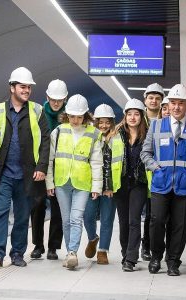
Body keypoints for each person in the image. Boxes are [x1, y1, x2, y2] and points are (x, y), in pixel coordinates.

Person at [0, 67, 50, 268]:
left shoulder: (37, 111)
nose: (26, 90)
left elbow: (45, 141)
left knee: (22, 215)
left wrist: (42, 166)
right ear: (12, 88)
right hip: (2, 173)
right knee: (0, 211)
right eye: (22, 86)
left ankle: (17, 253)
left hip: (28, 174)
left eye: (28, 87)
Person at [141, 83, 186, 276]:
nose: (177, 107)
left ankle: (173, 261)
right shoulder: (155, 126)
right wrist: (155, 168)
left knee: (179, 225)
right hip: (160, 183)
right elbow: (145, 153)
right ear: (168, 105)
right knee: (156, 222)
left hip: (184, 185)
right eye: (173, 103)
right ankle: (156, 257)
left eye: (181, 103)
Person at [46, 94, 103, 270]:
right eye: (72, 116)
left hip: (83, 183)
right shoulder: (59, 131)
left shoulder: (94, 134)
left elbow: (96, 162)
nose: (75, 120)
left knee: (76, 218)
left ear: (86, 115)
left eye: (79, 116)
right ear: (66, 115)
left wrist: (96, 186)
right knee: (65, 220)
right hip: (62, 181)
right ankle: (70, 252)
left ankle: (72, 253)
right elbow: (50, 159)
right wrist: (49, 183)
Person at [30, 79, 67, 260]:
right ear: (47, 97)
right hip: (40, 168)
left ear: (65, 99)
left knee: (58, 209)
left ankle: (53, 247)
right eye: (53, 99)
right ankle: (38, 245)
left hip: (60, 170)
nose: (56, 102)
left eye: (59, 99)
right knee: (37, 207)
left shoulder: (70, 116)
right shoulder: (38, 114)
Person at [113, 98, 149, 272]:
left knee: (134, 220)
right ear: (125, 116)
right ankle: (125, 253)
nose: (133, 117)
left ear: (142, 116)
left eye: (136, 114)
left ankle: (131, 258)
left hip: (139, 183)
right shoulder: (117, 134)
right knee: (123, 221)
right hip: (120, 183)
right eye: (129, 114)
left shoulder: (148, 135)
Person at [84, 104, 121, 265]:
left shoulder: (117, 139)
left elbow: (116, 164)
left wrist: (110, 186)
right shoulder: (89, 137)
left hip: (109, 188)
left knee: (107, 219)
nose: (104, 126)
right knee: (88, 216)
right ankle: (93, 238)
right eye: (101, 122)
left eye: (107, 122)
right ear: (95, 122)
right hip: (90, 185)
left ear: (112, 122)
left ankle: (102, 251)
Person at [141, 83, 165, 261]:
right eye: (151, 98)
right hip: (138, 172)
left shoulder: (166, 120)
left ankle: (147, 246)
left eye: (157, 98)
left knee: (152, 215)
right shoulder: (136, 117)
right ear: (145, 100)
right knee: (136, 214)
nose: (154, 101)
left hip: (156, 173)